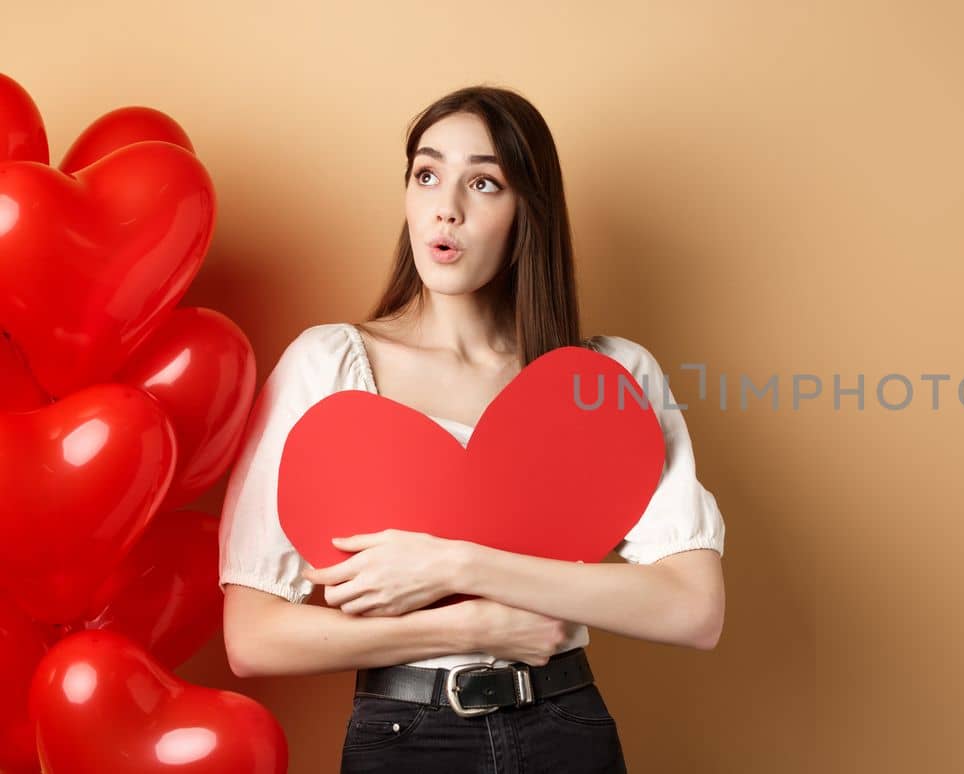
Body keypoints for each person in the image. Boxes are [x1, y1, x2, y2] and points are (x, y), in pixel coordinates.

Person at [217, 85, 727, 774]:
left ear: (528, 213)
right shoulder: (330, 365)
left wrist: (452, 563)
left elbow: (692, 610)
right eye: (426, 174)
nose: (445, 206)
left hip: (566, 729)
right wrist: (469, 624)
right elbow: (254, 638)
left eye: (483, 183)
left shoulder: (609, 378)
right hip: (404, 737)